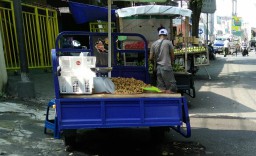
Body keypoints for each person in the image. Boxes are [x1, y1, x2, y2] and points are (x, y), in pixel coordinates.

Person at [149, 28, 177, 93]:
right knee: (171, 88)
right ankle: (172, 101)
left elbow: (150, 58)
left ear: (159, 35)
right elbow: (172, 55)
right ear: (166, 35)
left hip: (158, 68)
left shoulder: (153, 44)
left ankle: (162, 101)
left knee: (160, 88)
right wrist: (172, 63)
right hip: (166, 66)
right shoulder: (168, 43)